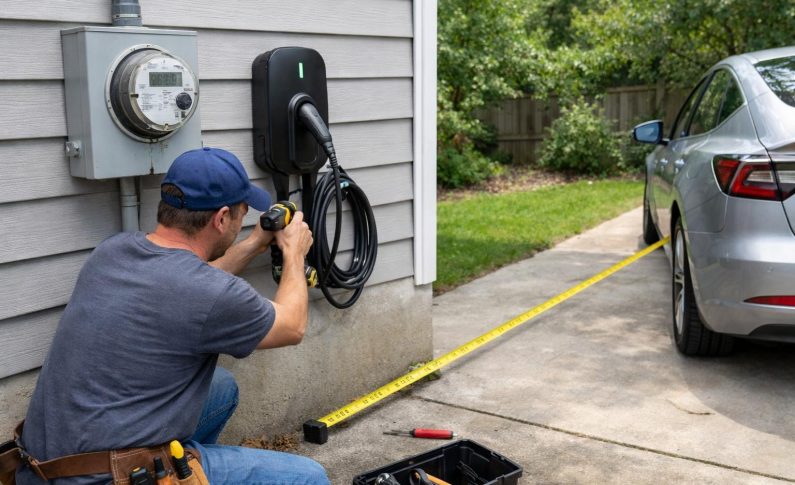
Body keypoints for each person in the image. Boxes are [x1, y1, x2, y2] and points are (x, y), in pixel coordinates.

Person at [15, 147, 330, 484]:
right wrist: (294, 253)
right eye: (241, 214)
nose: (242, 223)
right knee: (309, 477)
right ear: (221, 218)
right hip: (107, 478)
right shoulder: (209, 293)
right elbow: (292, 325)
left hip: (40, 467)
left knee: (221, 390)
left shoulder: (112, 251)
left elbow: (193, 284)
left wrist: (253, 244)